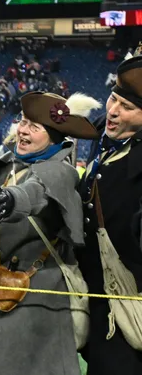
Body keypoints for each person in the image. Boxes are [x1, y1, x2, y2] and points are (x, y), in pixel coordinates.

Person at [0, 91, 102, 375]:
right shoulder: (9, 165)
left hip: (37, 306)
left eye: (35, 126)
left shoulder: (61, 170)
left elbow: (37, 191)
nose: (22, 130)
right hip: (0, 297)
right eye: (22, 121)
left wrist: (12, 199)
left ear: (55, 138)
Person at [78, 47, 142, 375]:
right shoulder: (104, 142)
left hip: (128, 302)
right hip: (99, 299)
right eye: (113, 99)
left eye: (127, 107)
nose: (114, 111)